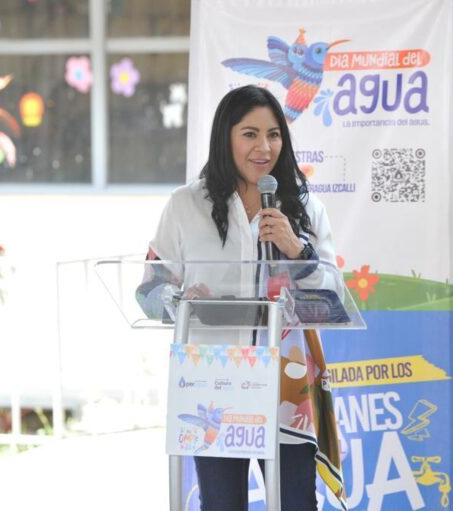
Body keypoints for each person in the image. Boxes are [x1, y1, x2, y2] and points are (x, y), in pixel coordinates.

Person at [144, 85, 346, 510]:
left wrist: (298, 250)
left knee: (296, 504)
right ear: (226, 137)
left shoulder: (306, 207)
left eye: (273, 135)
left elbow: (333, 298)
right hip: (212, 386)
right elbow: (148, 289)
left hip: (286, 389)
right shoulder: (185, 205)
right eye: (250, 134)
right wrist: (181, 301)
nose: (264, 147)